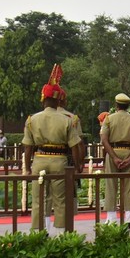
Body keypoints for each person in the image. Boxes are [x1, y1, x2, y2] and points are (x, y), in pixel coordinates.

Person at [23, 64, 82, 232]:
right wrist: (77, 166)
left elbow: (28, 147)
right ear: (58, 99)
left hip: (39, 160)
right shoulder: (67, 120)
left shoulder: (32, 119)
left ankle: (39, 232)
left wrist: (27, 168)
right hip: (59, 161)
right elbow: (75, 146)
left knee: (38, 199)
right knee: (60, 200)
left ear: (43, 98)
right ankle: (61, 234)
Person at [102, 93, 130, 226]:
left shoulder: (109, 119)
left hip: (113, 151)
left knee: (111, 184)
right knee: (129, 186)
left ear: (116, 105)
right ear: (128, 106)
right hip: (128, 151)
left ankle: (111, 219)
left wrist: (114, 157)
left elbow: (104, 139)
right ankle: (129, 219)